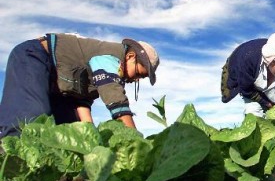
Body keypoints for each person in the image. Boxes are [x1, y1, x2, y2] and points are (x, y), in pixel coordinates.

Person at [0, 33, 160, 138]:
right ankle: (10, 172)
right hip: (34, 57)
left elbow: (81, 103)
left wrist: (89, 137)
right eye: (139, 73)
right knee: (31, 118)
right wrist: (136, 141)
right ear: (131, 57)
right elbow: (115, 99)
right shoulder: (110, 57)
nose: (136, 80)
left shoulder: (99, 71)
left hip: (58, 84)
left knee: (70, 133)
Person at [221, 30, 275, 120]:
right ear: (269, 59)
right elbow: (246, 89)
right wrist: (267, 104)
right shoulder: (247, 59)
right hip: (252, 89)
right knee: (253, 112)